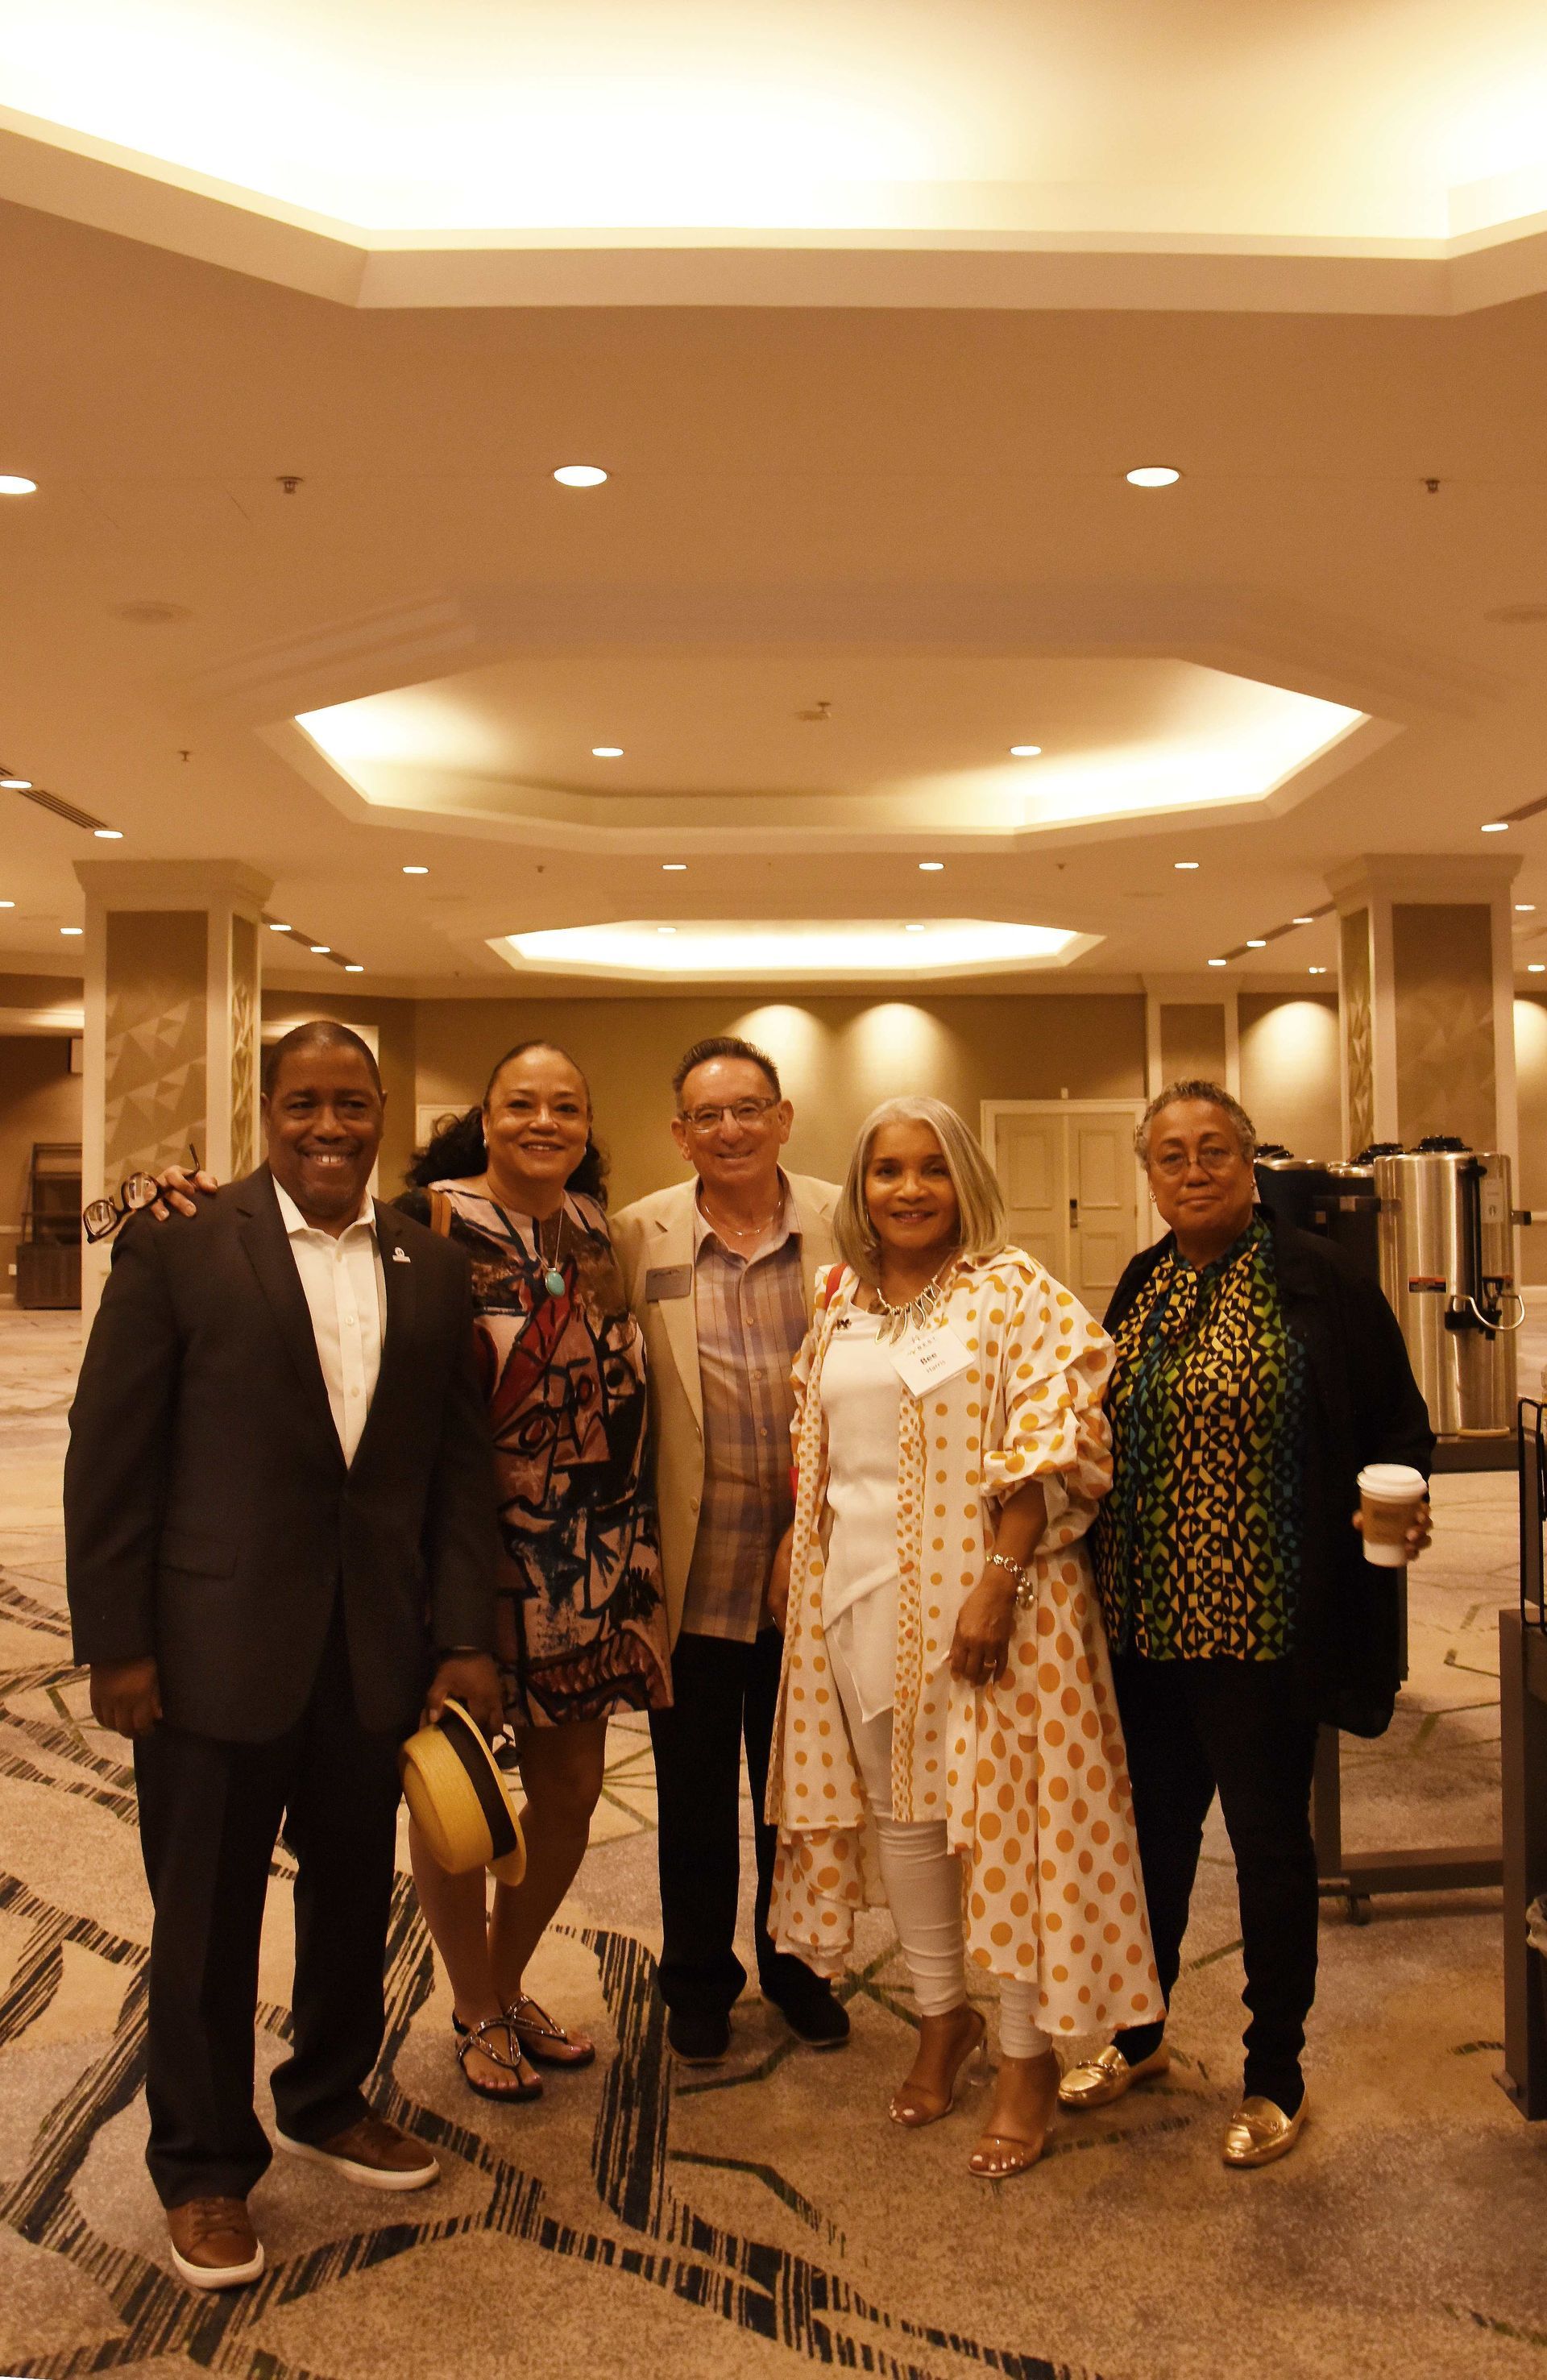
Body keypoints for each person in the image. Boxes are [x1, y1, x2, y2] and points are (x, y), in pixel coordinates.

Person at [65, 1022, 502, 2292]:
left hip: (375, 1646)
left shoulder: (429, 1263)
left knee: (355, 1890)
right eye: (304, 1103)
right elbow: (111, 1452)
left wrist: (464, 1634)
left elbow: (455, 1473)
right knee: (203, 1915)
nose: (329, 1126)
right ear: (265, 1111)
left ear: (382, 1114)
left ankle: (325, 2092)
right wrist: (119, 1644)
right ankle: (202, 2166)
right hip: (208, 1649)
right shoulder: (183, 1245)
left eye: (352, 1105)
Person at [766, 1097, 1159, 2179]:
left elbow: (1051, 1440)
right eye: (886, 1168)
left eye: (931, 1168)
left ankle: (1028, 2051)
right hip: (854, 1599)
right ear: (861, 1186)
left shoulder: (1013, 1291)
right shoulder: (841, 1295)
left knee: (1004, 1826)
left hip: (998, 1604)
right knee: (905, 1811)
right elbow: (826, 1449)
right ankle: (945, 2015)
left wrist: (997, 1576)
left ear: (965, 1179)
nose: (908, 1188)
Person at [1058, 1080, 1434, 2168]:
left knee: (1269, 1849)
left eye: (1212, 1148)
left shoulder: (1319, 1282)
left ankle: (1276, 2071)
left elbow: (1399, 1427)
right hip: (1141, 1623)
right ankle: (1139, 2033)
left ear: (1250, 1158)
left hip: (1264, 1626)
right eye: (1169, 1153)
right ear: (1148, 1173)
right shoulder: (1142, 1280)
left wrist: (1392, 1504)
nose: (1191, 1168)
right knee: (1149, 1847)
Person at [395, 1041, 671, 2099]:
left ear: (588, 1120)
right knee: (459, 1789)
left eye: (566, 1104)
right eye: (522, 1104)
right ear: (487, 1113)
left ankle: (501, 1985)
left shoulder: (596, 1226)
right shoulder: (424, 1221)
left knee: (567, 1791)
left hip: (594, 1562)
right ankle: (471, 2000)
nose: (543, 1122)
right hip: (467, 1558)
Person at [612, 1036, 849, 2063]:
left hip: (818, 1565)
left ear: (784, 1117)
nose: (731, 1130)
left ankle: (798, 1964)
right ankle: (699, 1975)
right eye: (707, 1116)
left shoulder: (851, 1220)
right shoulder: (639, 1236)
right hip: (695, 1570)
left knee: (802, 1791)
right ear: (680, 1132)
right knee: (695, 1792)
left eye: (749, 1109)